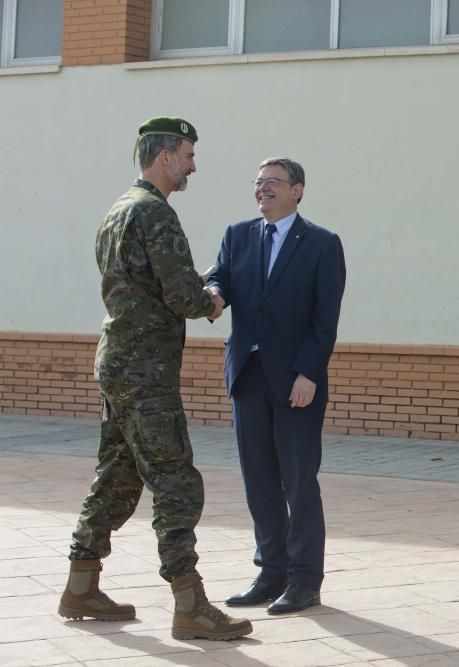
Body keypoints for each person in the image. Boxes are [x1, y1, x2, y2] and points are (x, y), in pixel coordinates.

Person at [58, 117, 252, 641]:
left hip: (116, 362)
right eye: (188, 154)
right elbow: (183, 296)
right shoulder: (156, 215)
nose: (193, 164)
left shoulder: (116, 211)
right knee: (177, 483)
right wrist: (214, 298)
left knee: (119, 476)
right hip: (147, 372)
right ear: (165, 157)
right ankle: (190, 603)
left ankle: (81, 584)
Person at [207, 158, 346, 615]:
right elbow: (219, 278)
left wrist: (309, 373)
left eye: (273, 183)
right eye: (258, 183)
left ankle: (306, 579)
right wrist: (211, 296)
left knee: (298, 481)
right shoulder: (238, 234)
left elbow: (325, 321)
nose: (262, 190)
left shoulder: (323, 244)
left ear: (298, 190)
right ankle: (271, 572)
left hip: (295, 383)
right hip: (248, 376)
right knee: (259, 481)